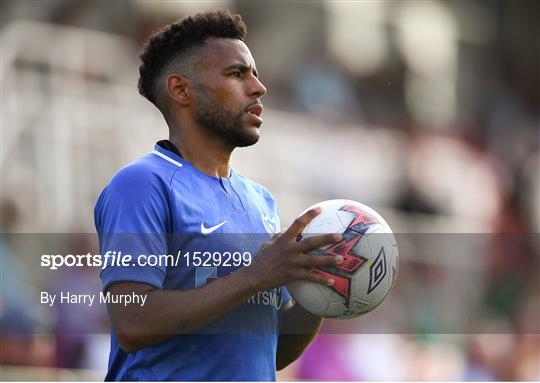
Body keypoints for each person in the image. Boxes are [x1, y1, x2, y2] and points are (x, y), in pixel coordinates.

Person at [94, 10, 343, 381]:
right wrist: (255, 275)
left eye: (255, 74)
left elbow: (269, 353)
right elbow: (132, 321)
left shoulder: (261, 200)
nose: (258, 87)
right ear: (181, 90)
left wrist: (323, 291)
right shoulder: (143, 184)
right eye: (237, 74)